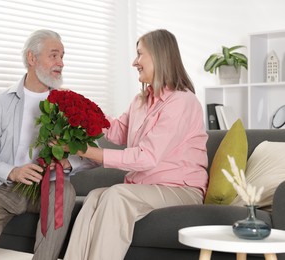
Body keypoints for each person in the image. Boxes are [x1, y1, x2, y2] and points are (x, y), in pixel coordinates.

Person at [62, 29, 209, 260]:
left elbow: (146, 157)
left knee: (116, 196)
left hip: (180, 190)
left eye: (140, 54)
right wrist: (80, 109)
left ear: (159, 56)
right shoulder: (141, 100)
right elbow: (118, 131)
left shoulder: (182, 102)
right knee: (94, 197)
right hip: (147, 188)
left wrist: (86, 151)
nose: (134, 62)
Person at [0, 29, 97, 260]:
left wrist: (67, 163)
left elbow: (93, 157)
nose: (61, 63)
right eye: (54, 55)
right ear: (31, 58)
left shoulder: (68, 105)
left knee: (64, 191)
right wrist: (13, 172)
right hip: (4, 187)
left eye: (63, 56)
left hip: (50, 185)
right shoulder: (1, 102)